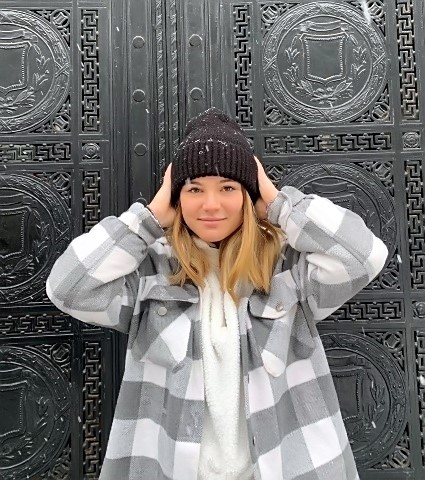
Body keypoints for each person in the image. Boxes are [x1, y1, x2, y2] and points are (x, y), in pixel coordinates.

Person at [46, 107, 388, 480]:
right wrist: (149, 217)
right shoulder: (152, 271)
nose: (211, 205)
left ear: (247, 194)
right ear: (177, 198)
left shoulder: (285, 268)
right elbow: (67, 288)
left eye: (227, 188)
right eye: (194, 189)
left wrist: (276, 203)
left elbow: (365, 255)